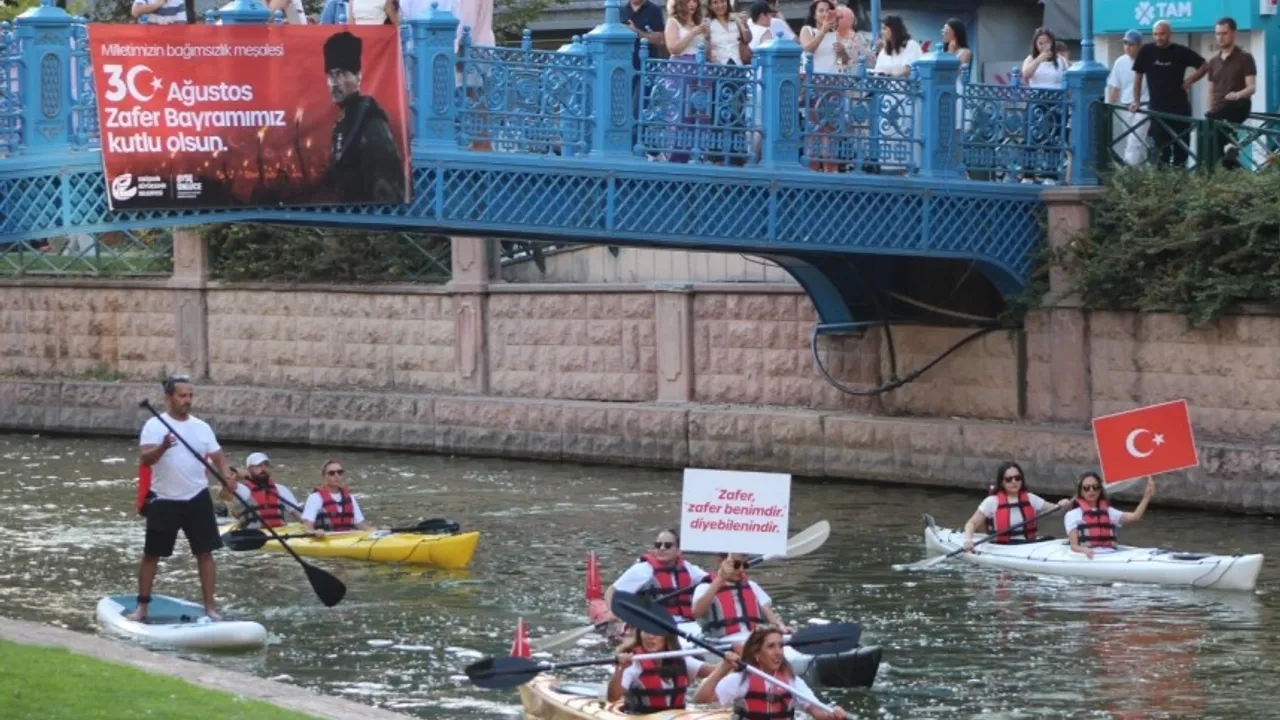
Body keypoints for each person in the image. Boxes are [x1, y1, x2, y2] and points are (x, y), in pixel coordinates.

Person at [128, 374, 230, 622]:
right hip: (164, 498)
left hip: (197, 497)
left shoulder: (201, 427)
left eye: (190, 396)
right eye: (182, 396)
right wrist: (163, 447)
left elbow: (218, 457)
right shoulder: (154, 425)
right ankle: (142, 608)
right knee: (151, 555)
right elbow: (145, 459)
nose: (187, 400)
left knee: (205, 553)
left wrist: (227, 480)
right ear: (169, 397)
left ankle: (209, 608)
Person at [322, 31, 408, 204]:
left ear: (358, 77)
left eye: (340, 74)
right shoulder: (344, 118)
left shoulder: (370, 119)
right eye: (330, 75)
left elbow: (387, 180)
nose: (333, 83)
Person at [692, 626, 849, 719]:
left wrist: (832, 715)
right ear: (756, 653)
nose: (778, 652)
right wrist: (723, 667)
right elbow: (700, 699)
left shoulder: (792, 681)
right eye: (771, 646)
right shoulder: (742, 680)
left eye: (780, 646)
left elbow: (816, 712)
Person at [1130, 19, 1206, 168]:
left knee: (1181, 153)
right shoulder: (1146, 51)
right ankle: (1161, 188)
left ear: (1170, 34)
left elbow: (1204, 65)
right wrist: (1136, 101)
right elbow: (1138, 77)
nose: (1158, 37)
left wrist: (1189, 80)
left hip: (1180, 110)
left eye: (1162, 34)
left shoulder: (1180, 51)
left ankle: (1180, 186)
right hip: (1157, 111)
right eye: (1155, 34)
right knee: (1160, 154)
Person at [962, 461, 1072, 552]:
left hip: (1029, 544)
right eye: (1009, 479)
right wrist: (968, 539)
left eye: (1017, 478)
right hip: (1003, 546)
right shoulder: (991, 502)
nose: (1014, 482)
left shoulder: (1030, 498)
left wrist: (1062, 505)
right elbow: (972, 523)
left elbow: (1056, 511)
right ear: (1002, 482)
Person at [605, 528, 709, 621]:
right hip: (656, 625)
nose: (662, 548)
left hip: (687, 623)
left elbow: (711, 580)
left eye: (667, 545)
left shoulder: (688, 568)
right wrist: (614, 611)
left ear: (679, 551)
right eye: (658, 545)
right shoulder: (643, 569)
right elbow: (611, 591)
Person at [606, 627, 717, 711]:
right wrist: (620, 669)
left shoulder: (681, 659)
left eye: (656, 632)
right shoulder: (633, 663)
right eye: (646, 631)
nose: (650, 636)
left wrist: (729, 662)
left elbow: (716, 672)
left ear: (667, 637)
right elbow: (613, 698)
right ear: (640, 635)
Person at [691, 552, 793, 639]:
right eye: (736, 565)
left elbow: (769, 615)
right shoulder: (705, 588)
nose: (741, 569)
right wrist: (720, 579)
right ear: (719, 562)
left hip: (752, 641)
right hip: (723, 642)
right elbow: (697, 613)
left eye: (744, 565)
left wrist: (781, 628)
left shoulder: (752, 586)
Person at [1205, 17, 1257, 169]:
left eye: (1224, 33)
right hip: (1218, 111)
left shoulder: (1245, 58)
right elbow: (1210, 90)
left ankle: (1230, 150)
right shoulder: (1213, 61)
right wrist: (1209, 110)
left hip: (1238, 106)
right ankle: (1231, 160)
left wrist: (1237, 94)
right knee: (1212, 151)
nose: (1220, 37)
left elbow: (1252, 87)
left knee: (1216, 123)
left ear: (1233, 33)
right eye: (1217, 34)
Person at [1067, 473, 1156, 558]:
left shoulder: (1109, 511)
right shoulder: (1072, 515)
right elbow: (1074, 546)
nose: (1091, 490)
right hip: (1089, 555)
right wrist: (1084, 550)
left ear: (1100, 490)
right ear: (1081, 492)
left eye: (1095, 487)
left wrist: (1147, 496)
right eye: (1086, 488)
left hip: (1111, 554)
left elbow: (1135, 516)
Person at [222, 452, 301, 529]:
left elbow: (297, 513)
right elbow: (223, 495)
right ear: (248, 469)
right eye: (258, 466)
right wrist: (236, 477)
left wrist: (310, 525)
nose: (263, 469)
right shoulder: (242, 489)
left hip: (279, 532)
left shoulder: (281, 489)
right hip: (253, 534)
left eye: (266, 465)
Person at [1107, 30, 1149, 166]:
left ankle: (1126, 173)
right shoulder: (1120, 62)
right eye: (1125, 43)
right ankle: (1143, 175)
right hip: (1125, 107)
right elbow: (1115, 87)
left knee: (1134, 142)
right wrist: (1108, 106)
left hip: (1144, 106)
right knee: (1136, 143)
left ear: (1139, 45)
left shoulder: (1148, 60)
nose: (1127, 47)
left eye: (1131, 44)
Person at [301, 459, 374, 537]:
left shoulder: (350, 497)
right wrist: (314, 532)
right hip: (325, 540)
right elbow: (308, 526)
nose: (336, 475)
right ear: (324, 476)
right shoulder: (315, 498)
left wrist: (377, 531)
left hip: (347, 540)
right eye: (332, 473)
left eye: (340, 472)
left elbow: (361, 524)